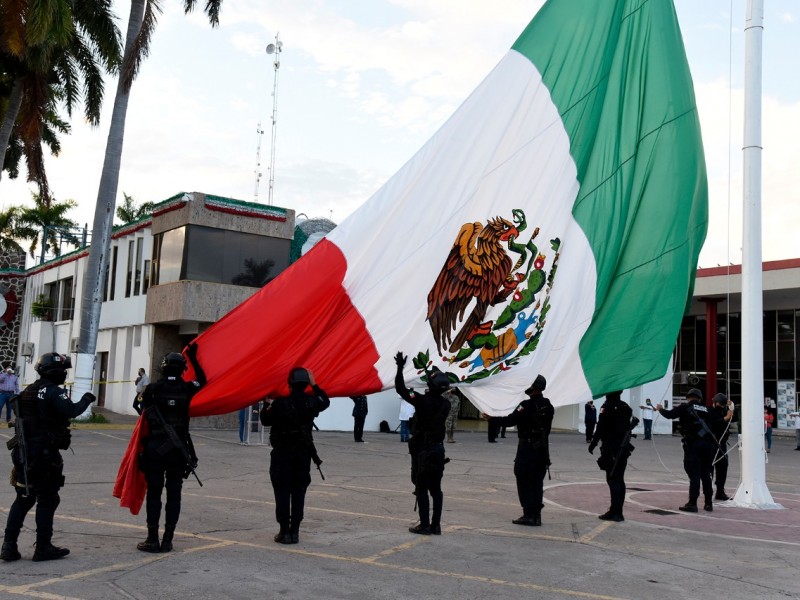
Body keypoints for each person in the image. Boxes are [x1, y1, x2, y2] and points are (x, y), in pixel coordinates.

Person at [1, 353, 95, 562]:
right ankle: (43, 547)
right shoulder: (53, 392)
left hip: (24, 454)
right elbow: (71, 410)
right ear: (57, 372)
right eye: (63, 371)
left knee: (24, 498)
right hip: (44, 455)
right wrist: (87, 398)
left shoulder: (28, 391)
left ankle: (8, 546)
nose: (64, 374)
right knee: (47, 499)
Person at [136, 346, 205, 553]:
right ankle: (168, 540)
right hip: (177, 450)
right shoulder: (187, 388)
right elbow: (203, 380)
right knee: (174, 495)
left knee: (154, 494)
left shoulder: (152, 390)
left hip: (155, 449)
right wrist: (193, 357)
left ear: (163, 369)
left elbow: (141, 410)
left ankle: (152, 539)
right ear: (183, 369)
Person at [261, 368, 330, 544]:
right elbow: (325, 401)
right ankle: (295, 532)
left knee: (282, 491)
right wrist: (315, 384)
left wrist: (266, 404)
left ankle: (284, 531)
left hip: (282, 455)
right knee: (299, 492)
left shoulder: (280, 403)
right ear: (306, 383)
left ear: (289, 383)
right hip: (302, 454)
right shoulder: (311, 402)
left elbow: (265, 420)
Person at [395, 352, 451, 535]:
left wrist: (399, 368)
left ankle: (425, 525)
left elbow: (401, 388)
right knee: (436, 489)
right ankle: (436, 525)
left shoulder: (422, 401)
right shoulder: (446, 404)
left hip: (423, 450)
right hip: (438, 449)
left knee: (421, 488)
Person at [495, 375, 554, 526]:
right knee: (537, 482)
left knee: (524, 479)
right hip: (542, 449)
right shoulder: (548, 405)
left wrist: (491, 418)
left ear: (533, 387)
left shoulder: (526, 405)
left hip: (527, 449)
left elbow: (510, 420)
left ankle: (528, 514)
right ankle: (537, 516)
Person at [656, 388, 722, 512]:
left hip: (693, 445)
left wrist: (660, 409)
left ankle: (692, 503)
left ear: (688, 397)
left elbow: (670, 415)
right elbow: (718, 421)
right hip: (708, 446)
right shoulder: (707, 409)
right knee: (706, 474)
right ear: (700, 398)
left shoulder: (685, 407)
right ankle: (709, 503)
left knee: (694, 474)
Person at [589, 391, 635, 522]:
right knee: (620, 479)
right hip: (623, 448)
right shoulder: (626, 407)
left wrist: (593, 443)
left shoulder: (607, 407)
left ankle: (615, 512)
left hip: (610, 448)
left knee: (613, 479)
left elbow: (601, 428)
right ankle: (618, 511)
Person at [710, 393, 735, 501]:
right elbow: (713, 423)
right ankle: (708, 491)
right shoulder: (710, 412)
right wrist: (725, 418)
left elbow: (733, 418)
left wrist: (731, 407)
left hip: (722, 444)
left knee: (723, 467)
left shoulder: (724, 411)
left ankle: (720, 491)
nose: (721, 406)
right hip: (711, 443)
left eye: (723, 404)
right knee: (709, 468)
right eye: (720, 404)